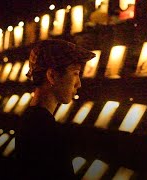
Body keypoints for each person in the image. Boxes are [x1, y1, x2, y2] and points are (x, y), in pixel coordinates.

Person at [15, 39, 95, 179]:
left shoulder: (31, 119)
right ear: (52, 76)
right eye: (75, 73)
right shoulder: (45, 130)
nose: (79, 84)